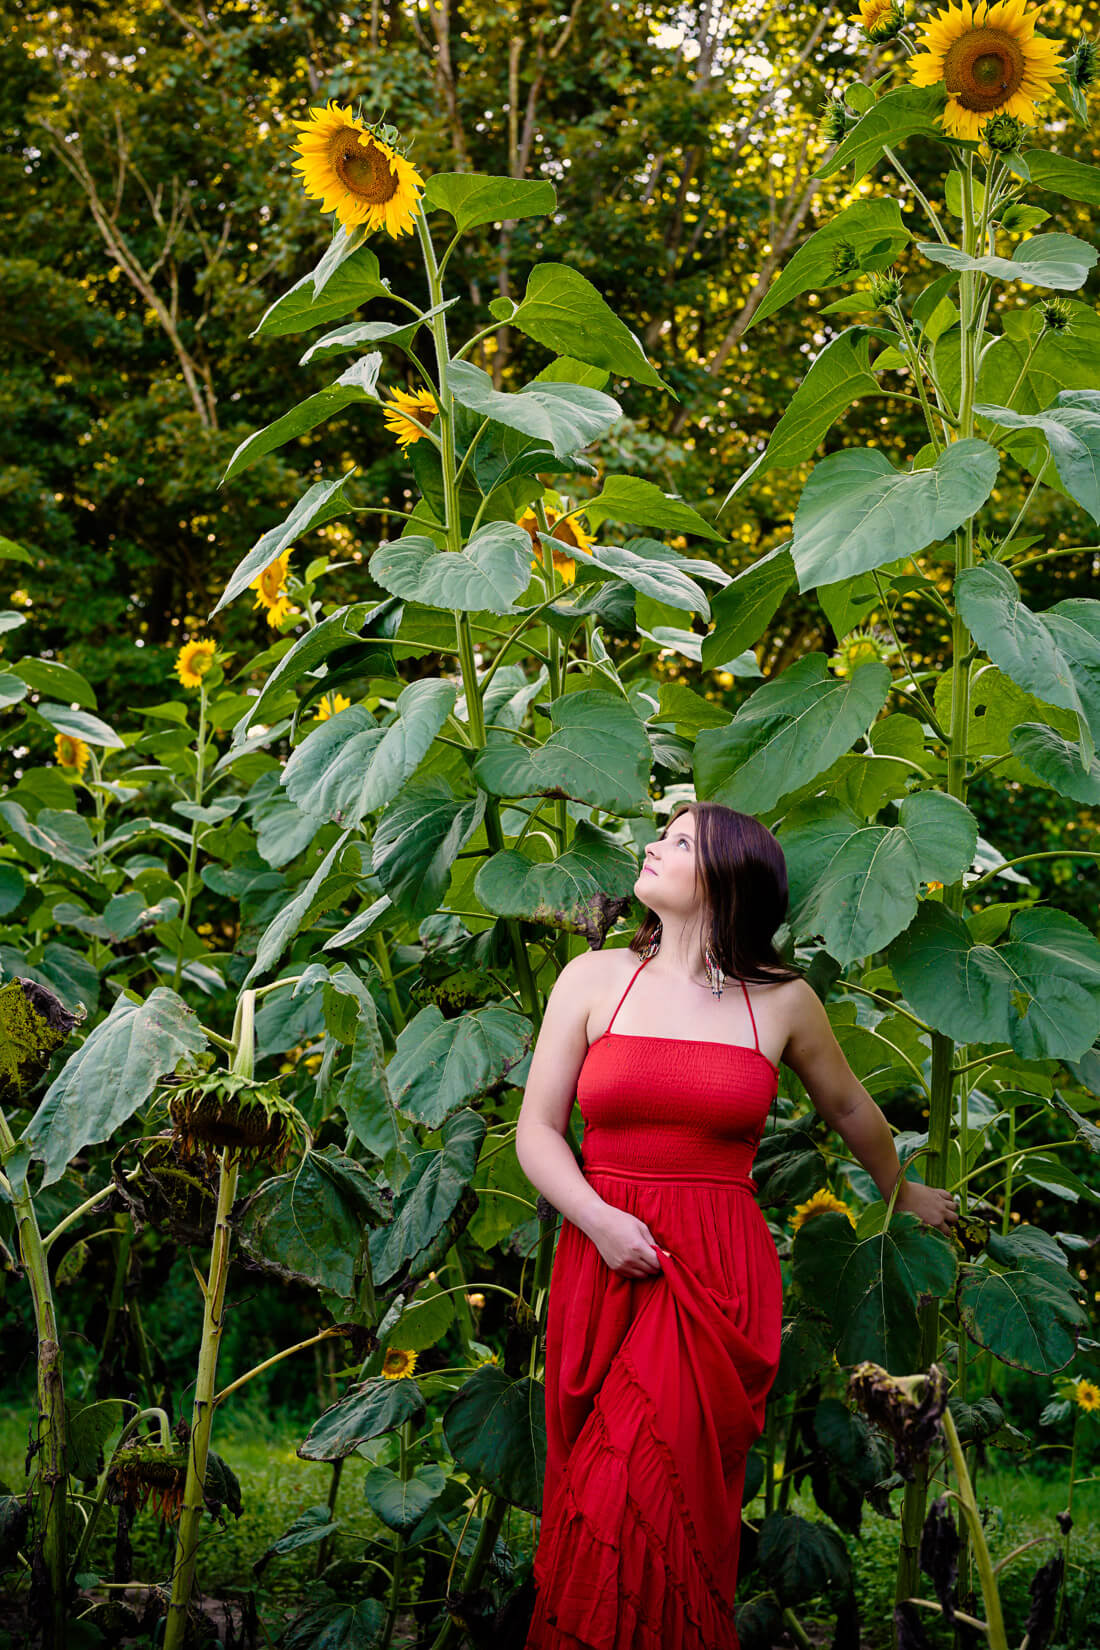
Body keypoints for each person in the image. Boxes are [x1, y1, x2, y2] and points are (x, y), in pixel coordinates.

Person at [515, 800, 959, 1650]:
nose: (653, 845)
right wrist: (600, 1223)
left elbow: (847, 1106)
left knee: (647, 1491)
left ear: (726, 877)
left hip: (713, 1276)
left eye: (680, 840)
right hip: (603, 1255)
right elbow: (536, 1131)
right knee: (593, 1492)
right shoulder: (594, 978)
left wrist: (900, 1191)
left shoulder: (783, 1000)